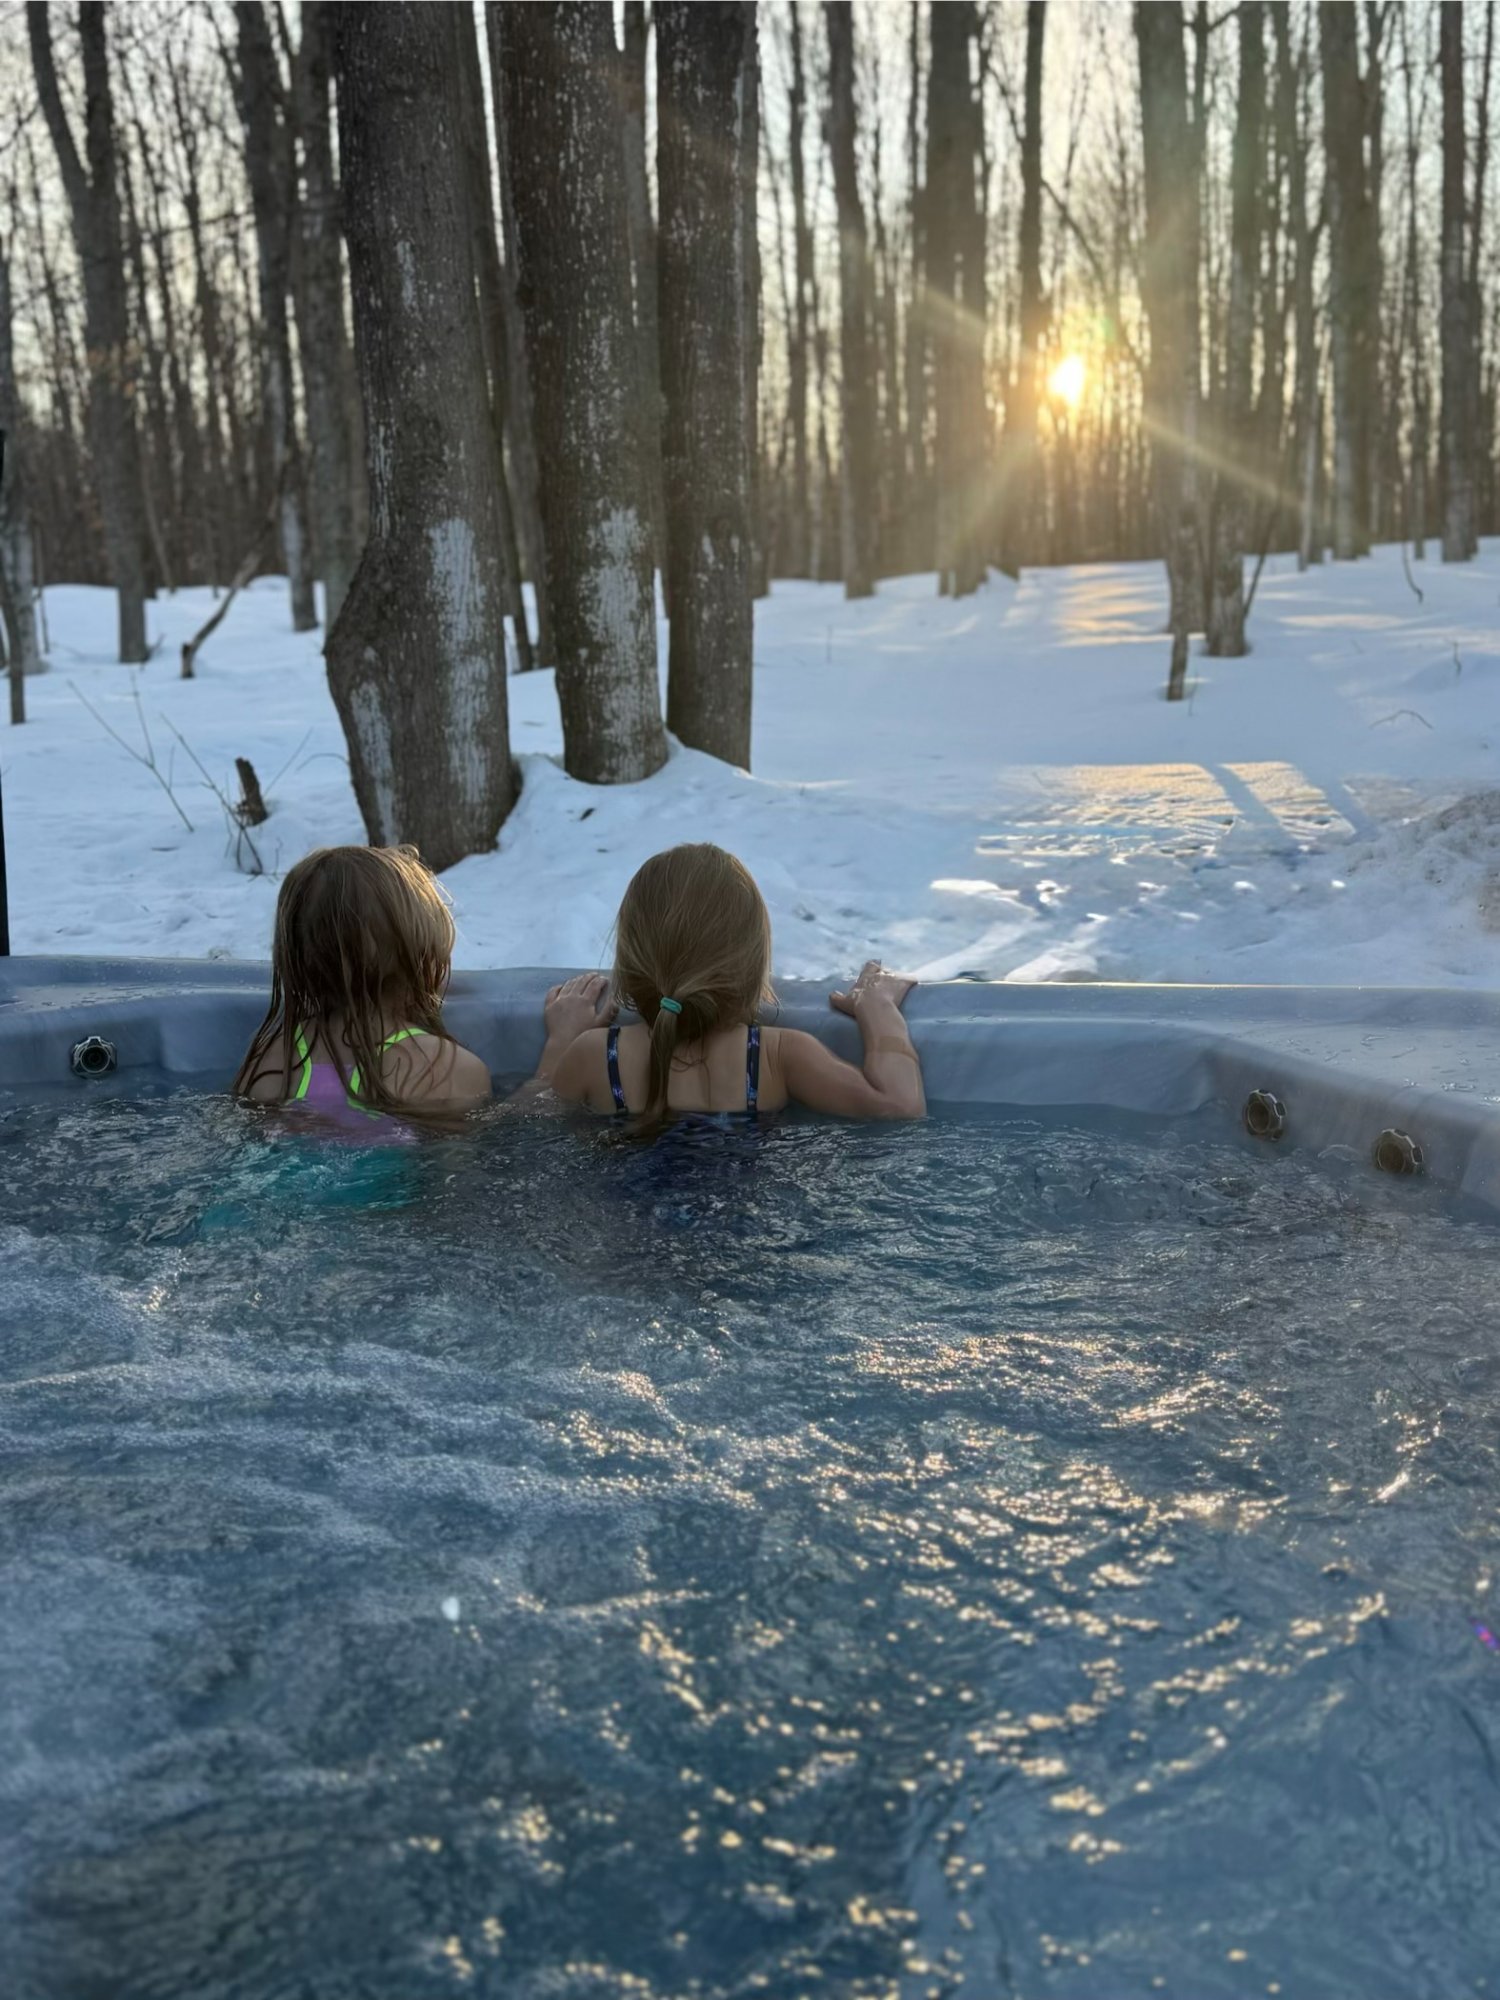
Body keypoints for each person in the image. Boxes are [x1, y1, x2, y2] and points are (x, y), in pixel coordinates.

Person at [549, 843, 925, 1136]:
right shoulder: (778, 1055)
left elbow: (528, 1116)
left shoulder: (594, 1055)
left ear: (631, 959)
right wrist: (881, 1011)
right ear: (748, 961)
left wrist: (562, 1039)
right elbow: (899, 1107)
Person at [232, 844, 492, 1123]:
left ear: (295, 957)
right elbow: (461, 1150)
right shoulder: (443, 1068)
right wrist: (529, 1090)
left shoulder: (269, 1059)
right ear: (422, 955)